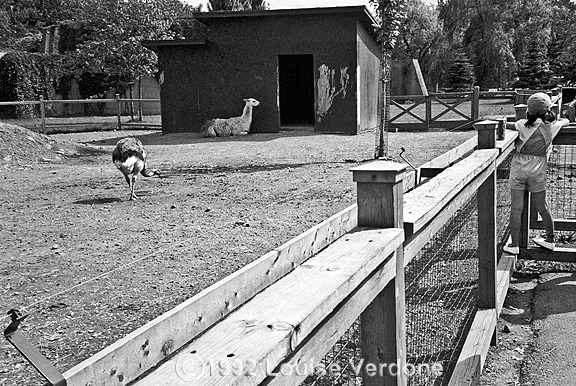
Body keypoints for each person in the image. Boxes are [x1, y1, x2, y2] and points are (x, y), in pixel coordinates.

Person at [503, 92, 570, 255]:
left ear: (529, 111)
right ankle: (550, 239)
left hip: (519, 167)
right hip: (538, 168)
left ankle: (515, 245)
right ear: (548, 110)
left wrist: (503, 123)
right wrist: (562, 119)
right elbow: (566, 121)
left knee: (516, 208)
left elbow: (509, 126)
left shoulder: (522, 124)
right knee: (542, 205)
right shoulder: (552, 126)